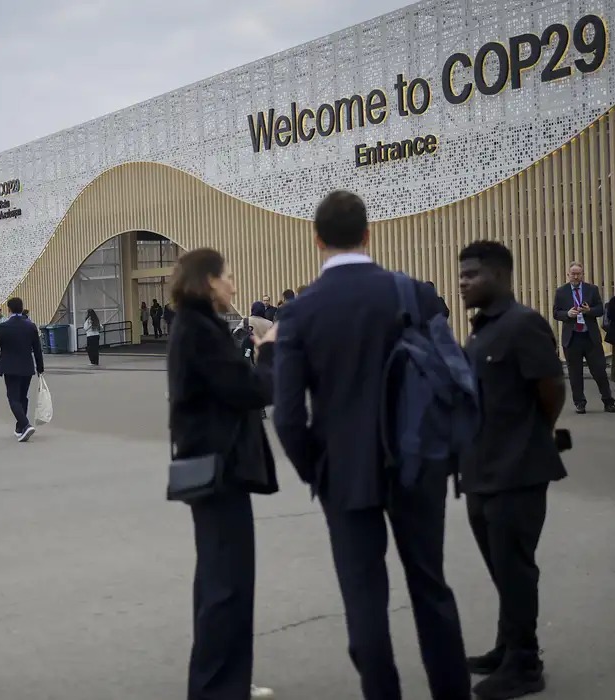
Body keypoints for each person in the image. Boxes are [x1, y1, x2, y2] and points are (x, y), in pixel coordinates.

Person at [273, 190, 471, 700]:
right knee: (431, 587)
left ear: (316, 238)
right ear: (369, 233)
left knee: (364, 601)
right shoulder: (414, 293)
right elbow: (449, 373)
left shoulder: (299, 313)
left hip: (345, 473)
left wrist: (316, 469)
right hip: (418, 461)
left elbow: (289, 416)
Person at [167, 248, 278, 700]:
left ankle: (225, 678)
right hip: (220, 471)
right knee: (226, 583)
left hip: (212, 469)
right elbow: (249, 390)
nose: (233, 283)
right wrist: (268, 354)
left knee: (219, 579)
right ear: (209, 281)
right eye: (228, 275)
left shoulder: (193, 327)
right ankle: (217, 686)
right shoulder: (201, 330)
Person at [458, 241, 567, 699]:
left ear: (500, 277)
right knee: (501, 568)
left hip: (517, 472)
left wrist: (529, 436)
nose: (463, 282)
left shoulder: (523, 325)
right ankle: (507, 648)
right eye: (461, 275)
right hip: (481, 471)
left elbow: (551, 390)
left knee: (516, 569)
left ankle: (525, 665)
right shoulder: (480, 331)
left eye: (472, 275)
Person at [552, 262, 615, 414]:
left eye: (578, 273)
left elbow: (600, 309)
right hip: (572, 338)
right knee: (575, 374)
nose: (576, 276)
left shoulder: (592, 289)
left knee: (599, 371)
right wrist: (567, 314)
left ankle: (608, 402)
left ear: (583, 274)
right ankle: (580, 403)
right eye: (573, 273)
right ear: (568, 275)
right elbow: (556, 312)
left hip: (590, 337)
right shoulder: (561, 292)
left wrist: (589, 310)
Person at [0, 297, 44, 442]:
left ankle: (25, 425)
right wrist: (40, 367)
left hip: (9, 367)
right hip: (26, 366)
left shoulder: (3, 327)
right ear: (22, 308)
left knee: (13, 398)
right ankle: (20, 428)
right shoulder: (31, 326)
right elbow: (37, 349)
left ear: (8, 309)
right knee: (23, 397)